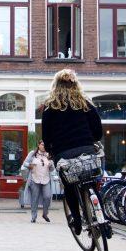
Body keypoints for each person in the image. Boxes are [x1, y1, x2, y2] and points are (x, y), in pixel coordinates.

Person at [41, 69, 102, 236]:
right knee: (92, 182)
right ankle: (102, 219)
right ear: (76, 85)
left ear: (56, 85)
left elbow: (46, 135)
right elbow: (98, 130)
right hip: (87, 149)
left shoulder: (50, 106)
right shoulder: (85, 103)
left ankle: (77, 221)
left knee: (69, 187)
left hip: (64, 153)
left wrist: (51, 150)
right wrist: (91, 140)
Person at [21, 140, 55, 223]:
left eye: (44, 145)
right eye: (42, 144)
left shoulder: (48, 154)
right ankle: (34, 217)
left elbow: (52, 169)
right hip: (34, 178)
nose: (43, 146)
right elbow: (25, 163)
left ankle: (45, 214)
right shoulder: (33, 153)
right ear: (39, 145)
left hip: (46, 179)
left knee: (47, 196)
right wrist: (30, 165)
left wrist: (51, 165)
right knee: (34, 198)